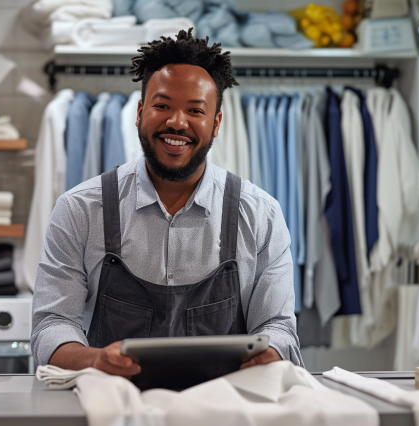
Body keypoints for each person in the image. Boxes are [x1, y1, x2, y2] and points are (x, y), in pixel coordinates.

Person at [31, 29, 303, 380]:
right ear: (140, 111)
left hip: (224, 408)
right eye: (162, 106)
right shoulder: (79, 209)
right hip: (111, 408)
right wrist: (94, 360)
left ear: (216, 123)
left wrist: (273, 351)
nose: (177, 122)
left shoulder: (260, 214)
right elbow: (51, 325)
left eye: (195, 110)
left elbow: (279, 326)